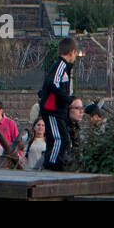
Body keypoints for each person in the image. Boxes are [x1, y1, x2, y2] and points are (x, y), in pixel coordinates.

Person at [39, 36, 78, 171]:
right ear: (72, 52)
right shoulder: (61, 64)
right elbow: (53, 84)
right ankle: (52, 164)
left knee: (55, 137)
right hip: (53, 109)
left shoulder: (64, 67)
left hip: (56, 109)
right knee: (60, 139)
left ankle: (53, 161)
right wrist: (68, 98)